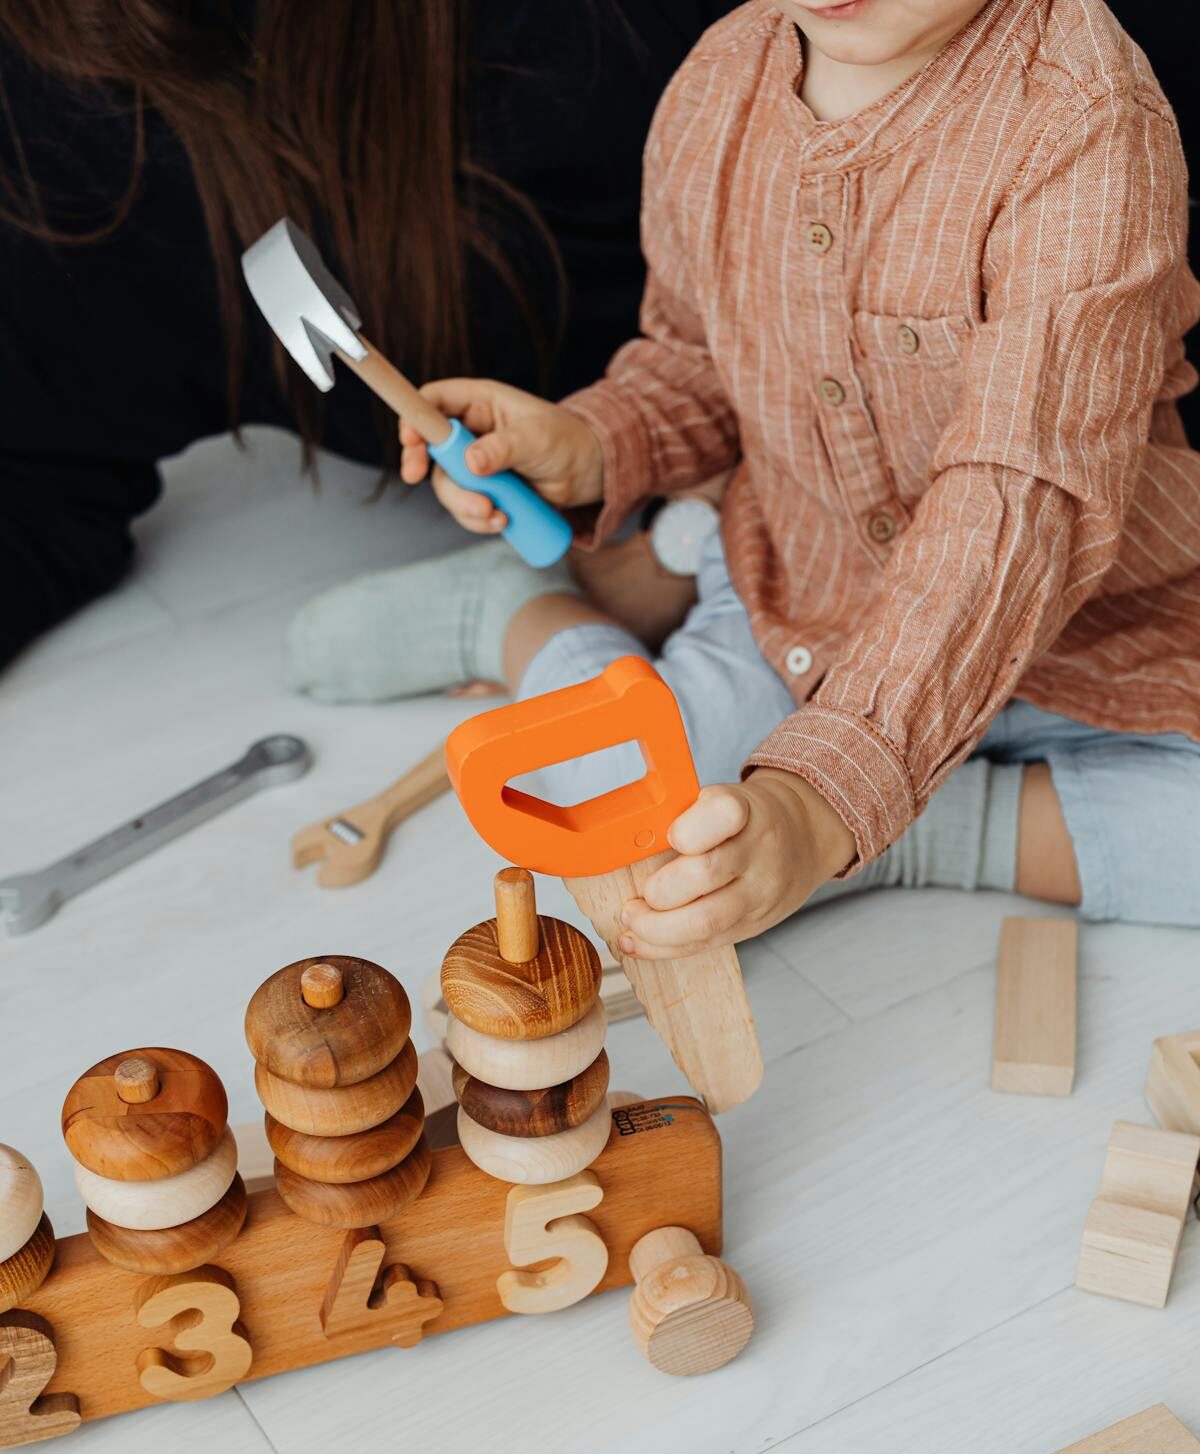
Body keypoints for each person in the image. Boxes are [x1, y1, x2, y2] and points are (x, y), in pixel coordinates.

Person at [369, 0, 1200, 950]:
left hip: (1094, 632)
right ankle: (520, 615)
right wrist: (594, 441)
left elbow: (1018, 501)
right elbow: (695, 360)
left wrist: (820, 801)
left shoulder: (1082, 117)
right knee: (607, 808)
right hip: (807, 601)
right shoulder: (720, 82)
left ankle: (916, 831)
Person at [0, 0, 730, 669]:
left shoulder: (615, 48)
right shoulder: (57, 99)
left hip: (756, 495)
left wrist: (683, 539)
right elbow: (43, 471)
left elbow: (830, 295)